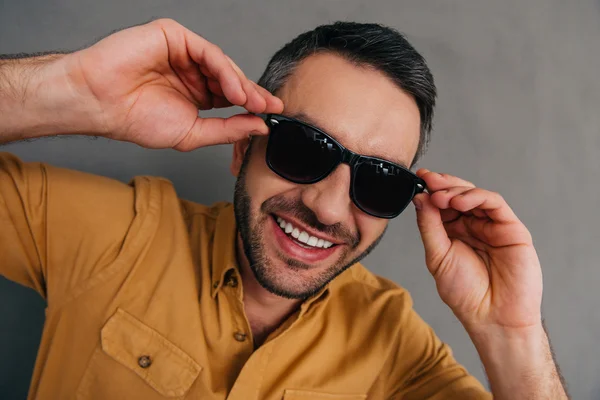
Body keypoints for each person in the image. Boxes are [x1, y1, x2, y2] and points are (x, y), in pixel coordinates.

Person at [0, 18, 568, 400]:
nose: (327, 207)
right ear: (244, 147)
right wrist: (70, 90)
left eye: (379, 181)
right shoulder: (115, 235)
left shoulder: (394, 345)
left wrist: (511, 334)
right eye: (303, 149)